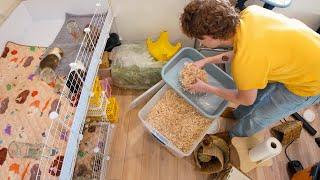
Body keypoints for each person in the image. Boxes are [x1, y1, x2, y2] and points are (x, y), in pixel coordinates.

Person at [180, 0, 320, 137]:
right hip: (304, 53)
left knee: (259, 116)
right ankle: (236, 115)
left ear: (211, 36)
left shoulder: (245, 64)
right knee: (258, 92)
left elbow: (245, 99)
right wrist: (206, 60)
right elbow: (241, 52)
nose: (201, 42)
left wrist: (206, 87)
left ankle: (232, 135)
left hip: (312, 80)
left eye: (201, 39)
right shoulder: (250, 13)